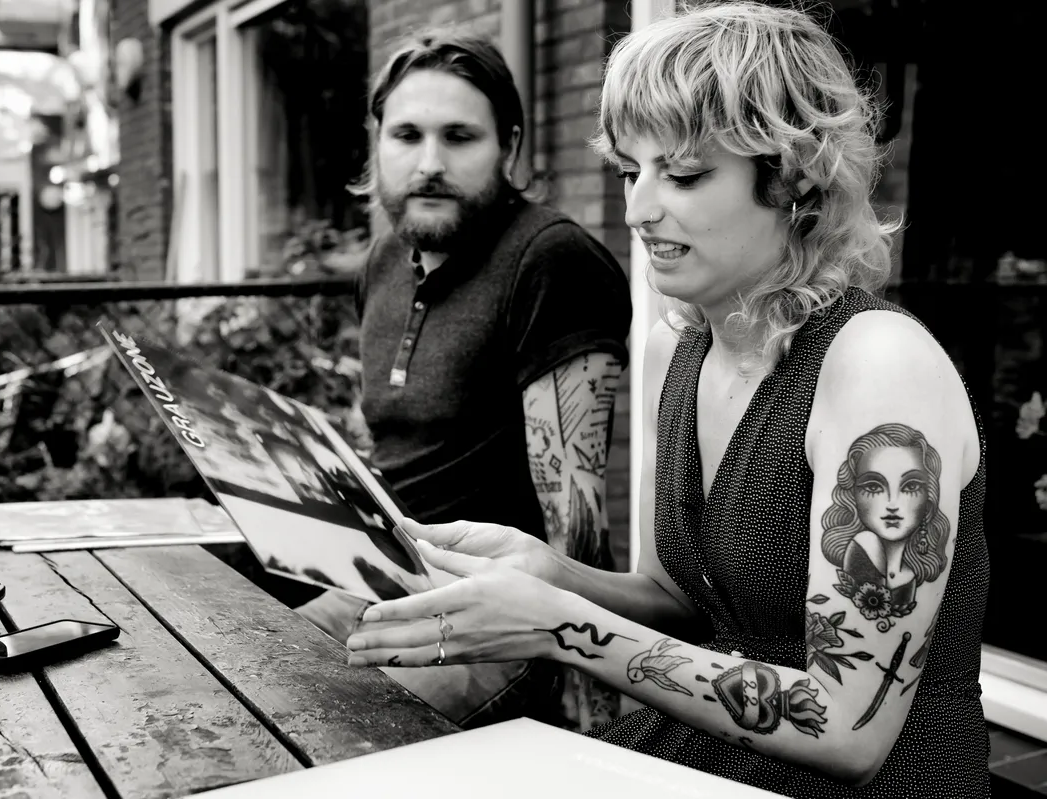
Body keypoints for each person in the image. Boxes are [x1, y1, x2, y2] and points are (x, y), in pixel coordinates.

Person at [343, 3, 990, 796]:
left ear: (795, 178)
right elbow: (677, 603)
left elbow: (847, 726)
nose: (638, 209)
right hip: (698, 761)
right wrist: (551, 572)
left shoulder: (879, 367)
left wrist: (556, 624)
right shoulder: (676, 346)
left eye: (682, 174)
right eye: (630, 170)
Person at [291, 28, 635, 730]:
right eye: (407, 135)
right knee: (242, 668)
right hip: (385, 580)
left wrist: (595, 720)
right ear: (377, 142)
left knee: (326, 733)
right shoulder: (385, 262)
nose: (430, 163)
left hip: (497, 620)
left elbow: (576, 524)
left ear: (509, 146)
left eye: (459, 137)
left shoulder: (550, 260)